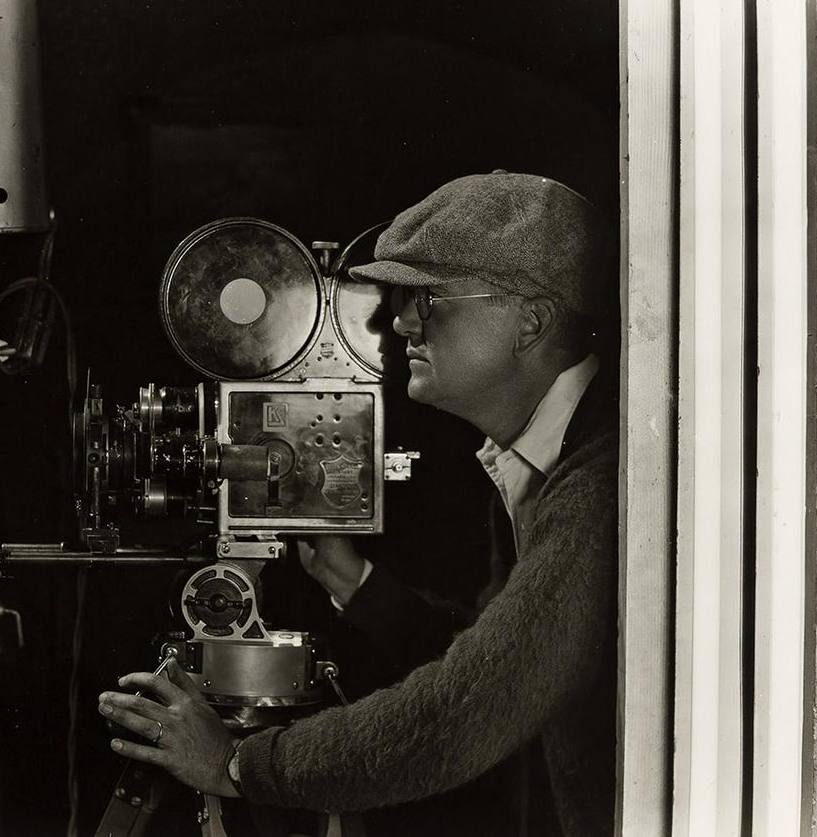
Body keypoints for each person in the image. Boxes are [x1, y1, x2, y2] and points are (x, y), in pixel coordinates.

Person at [97, 171, 618, 837]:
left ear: (530, 320)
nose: (399, 322)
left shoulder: (596, 484)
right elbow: (496, 650)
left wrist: (238, 766)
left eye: (428, 299)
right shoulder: (530, 460)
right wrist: (352, 580)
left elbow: (473, 705)